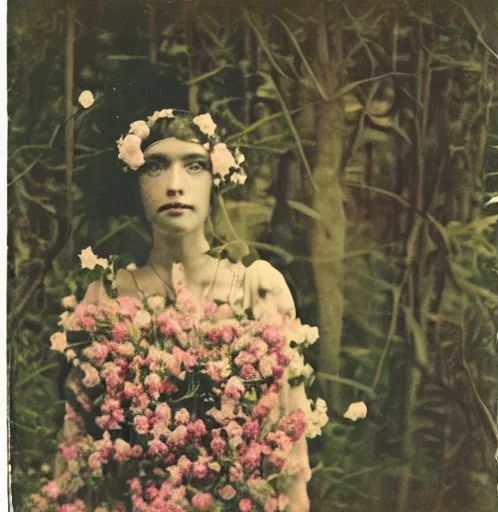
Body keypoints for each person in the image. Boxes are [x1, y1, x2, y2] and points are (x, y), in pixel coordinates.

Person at [61, 109, 312, 511]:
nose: (175, 186)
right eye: (156, 168)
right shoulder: (106, 298)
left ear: (216, 181)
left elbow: (290, 451)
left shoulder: (257, 287)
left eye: (194, 166)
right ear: (136, 183)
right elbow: (75, 454)